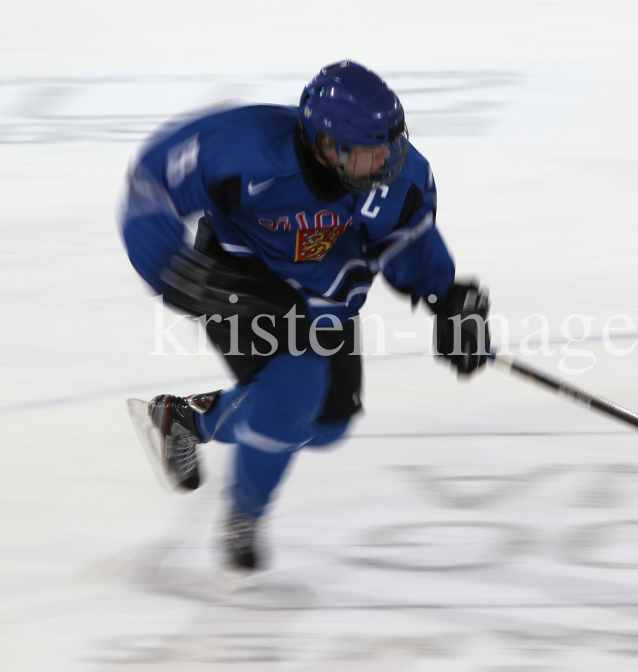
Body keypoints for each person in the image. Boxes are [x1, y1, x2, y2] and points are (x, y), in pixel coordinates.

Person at [121, 60, 491, 571]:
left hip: (324, 295)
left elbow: (411, 241)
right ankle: (245, 515)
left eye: (390, 143)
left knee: (328, 423)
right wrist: (170, 266)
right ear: (324, 143)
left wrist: (450, 301)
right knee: (296, 386)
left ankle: (187, 420)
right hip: (238, 278)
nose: (385, 159)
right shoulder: (244, 148)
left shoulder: (401, 179)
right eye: (367, 151)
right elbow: (150, 184)